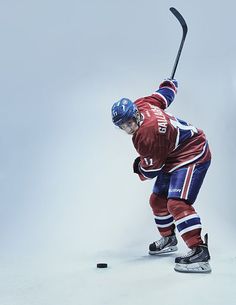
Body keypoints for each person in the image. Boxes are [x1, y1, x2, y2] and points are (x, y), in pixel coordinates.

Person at [111, 79, 212, 273]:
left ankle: (200, 251)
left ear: (135, 115)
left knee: (177, 204)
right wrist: (169, 84)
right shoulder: (142, 104)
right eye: (123, 125)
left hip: (192, 153)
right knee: (157, 200)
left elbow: (150, 171)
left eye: (129, 122)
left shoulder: (146, 136)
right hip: (173, 155)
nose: (128, 128)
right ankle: (169, 239)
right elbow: (163, 96)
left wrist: (139, 167)